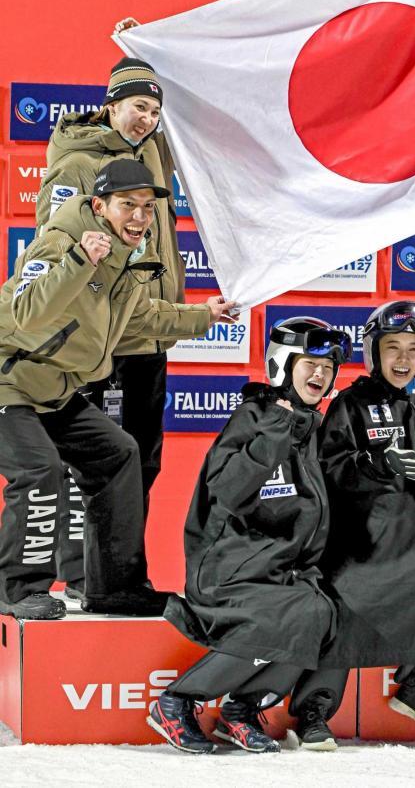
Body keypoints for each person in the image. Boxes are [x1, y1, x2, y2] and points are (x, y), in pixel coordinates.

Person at [0, 158, 233, 620]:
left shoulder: (125, 262)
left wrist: (205, 315)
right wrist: (77, 262)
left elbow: (144, 319)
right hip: (9, 383)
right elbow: (26, 314)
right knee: (40, 470)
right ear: (99, 205)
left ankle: (113, 587)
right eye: (128, 205)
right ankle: (18, 588)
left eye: (148, 208)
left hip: (55, 390)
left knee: (119, 453)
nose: (140, 217)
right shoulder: (59, 245)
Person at [286, 301, 415, 750]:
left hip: (414, 535)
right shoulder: (349, 403)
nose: (402, 359)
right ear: (372, 351)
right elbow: (330, 468)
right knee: (343, 612)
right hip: (360, 540)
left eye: (414, 349)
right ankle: (313, 712)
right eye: (392, 347)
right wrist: (377, 462)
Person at [148, 318, 350, 755]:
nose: (320, 375)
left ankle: (242, 709)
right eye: (310, 364)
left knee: (326, 610)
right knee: (293, 613)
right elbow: (228, 491)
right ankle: (178, 700)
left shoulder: (311, 428)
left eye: (328, 367)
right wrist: (275, 430)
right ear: (283, 365)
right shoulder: (255, 419)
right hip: (227, 570)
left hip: (277, 571)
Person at [36, 57, 184, 599]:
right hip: (99, 337)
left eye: (154, 109)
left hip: (145, 333)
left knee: (140, 461)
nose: (146, 118)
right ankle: (83, 577)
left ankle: (119, 577)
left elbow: (200, 117)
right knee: (96, 461)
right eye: (138, 106)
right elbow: (56, 248)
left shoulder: (150, 152)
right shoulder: (75, 162)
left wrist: (151, 46)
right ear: (112, 103)